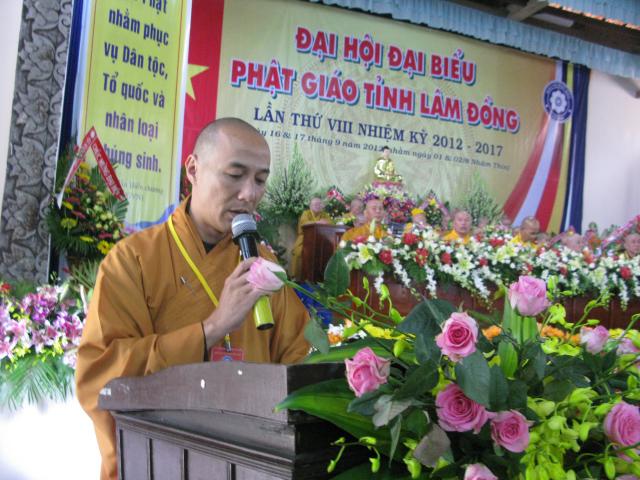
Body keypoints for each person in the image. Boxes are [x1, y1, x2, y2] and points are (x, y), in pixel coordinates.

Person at [75, 118, 311, 480]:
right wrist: (211, 330)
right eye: (235, 175)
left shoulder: (264, 265)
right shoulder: (132, 259)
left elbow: (300, 362)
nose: (249, 194)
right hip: (160, 461)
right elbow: (100, 378)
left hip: (249, 462)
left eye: (260, 180)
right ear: (193, 169)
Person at [289, 197, 332, 279]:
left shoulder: (324, 214)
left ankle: (321, 278)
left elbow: (330, 223)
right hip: (305, 239)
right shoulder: (306, 213)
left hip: (321, 241)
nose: (318, 206)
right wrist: (318, 222)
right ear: (310, 206)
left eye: (319, 204)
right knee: (299, 253)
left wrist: (323, 222)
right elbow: (304, 223)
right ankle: (297, 277)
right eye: (315, 204)